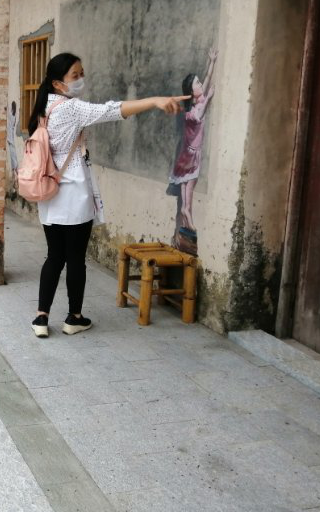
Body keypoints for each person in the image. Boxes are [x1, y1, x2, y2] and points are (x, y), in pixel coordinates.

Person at [28, 53, 188, 338]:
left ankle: (41, 317)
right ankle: (74, 318)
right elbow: (113, 110)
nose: (81, 79)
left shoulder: (44, 107)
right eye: (75, 75)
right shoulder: (71, 108)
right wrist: (154, 100)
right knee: (75, 259)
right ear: (58, 83)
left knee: (54, 256)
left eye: (82, 73)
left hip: (48, 192)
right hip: (73, 193)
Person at [168, 48, 218, 235]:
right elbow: (200, 114)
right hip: (191, 153)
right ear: (192, 91)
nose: (201, 84)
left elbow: (207, 78)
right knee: (190, 181)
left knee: (186, 182)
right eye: (197, 83)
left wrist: (212, 62)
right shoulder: (192, 112)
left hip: (189, 151)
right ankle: (187, 210)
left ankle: (185, 210)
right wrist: (209, 98)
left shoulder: (199, 100)